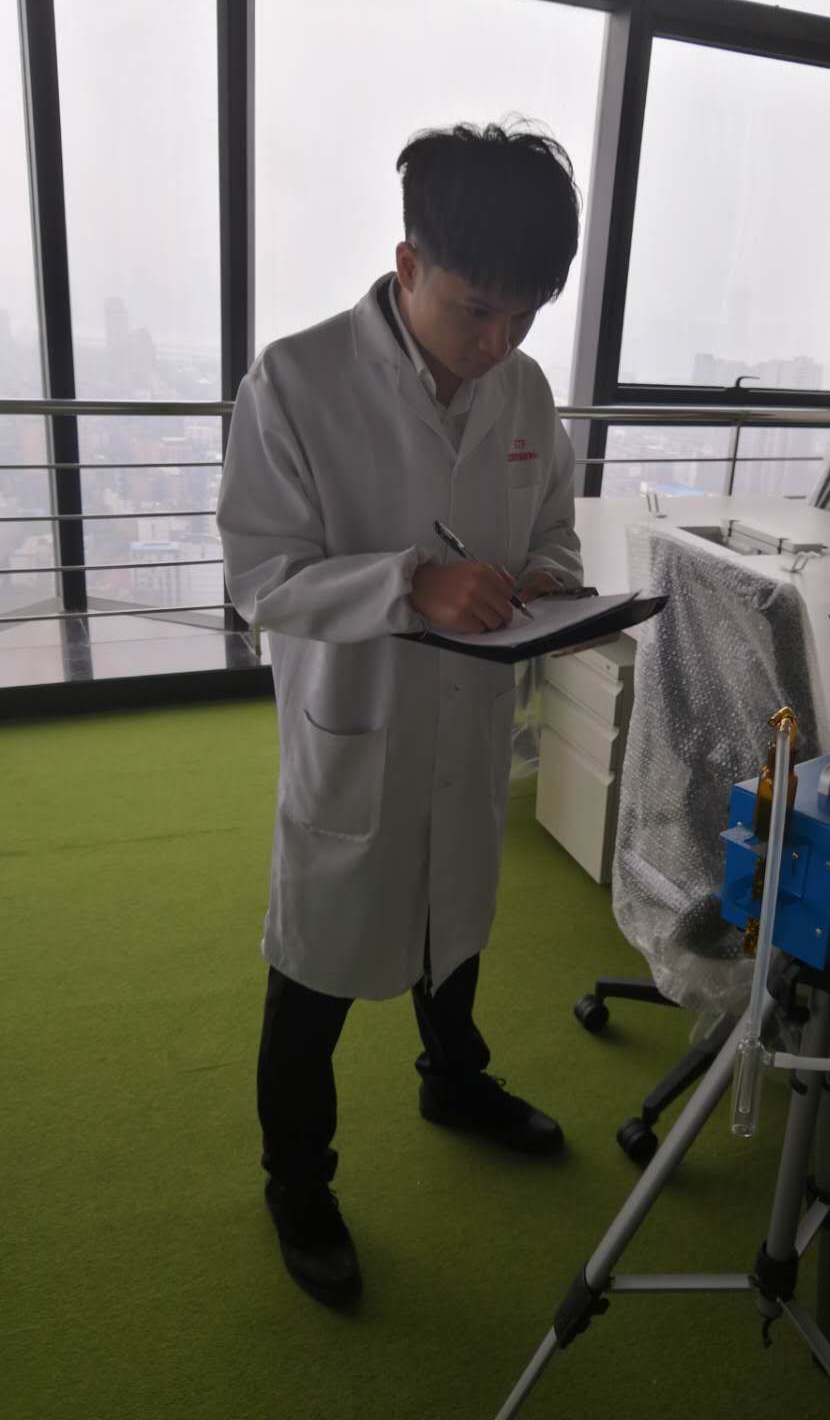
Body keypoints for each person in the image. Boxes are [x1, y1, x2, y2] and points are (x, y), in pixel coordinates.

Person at [216, 121, 584, 1308]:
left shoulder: (523, 386)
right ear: (409, 263)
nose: (501, 342)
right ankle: (297, 1181)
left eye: (527, 313)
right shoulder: (296, 381)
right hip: (356, 734)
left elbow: (553, 527)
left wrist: (554, 579)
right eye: (478, 309)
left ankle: (454, 1082)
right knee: (314, 974)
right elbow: (259, 578)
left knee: (455, 927)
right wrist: (408, 585)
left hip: (469, 725)